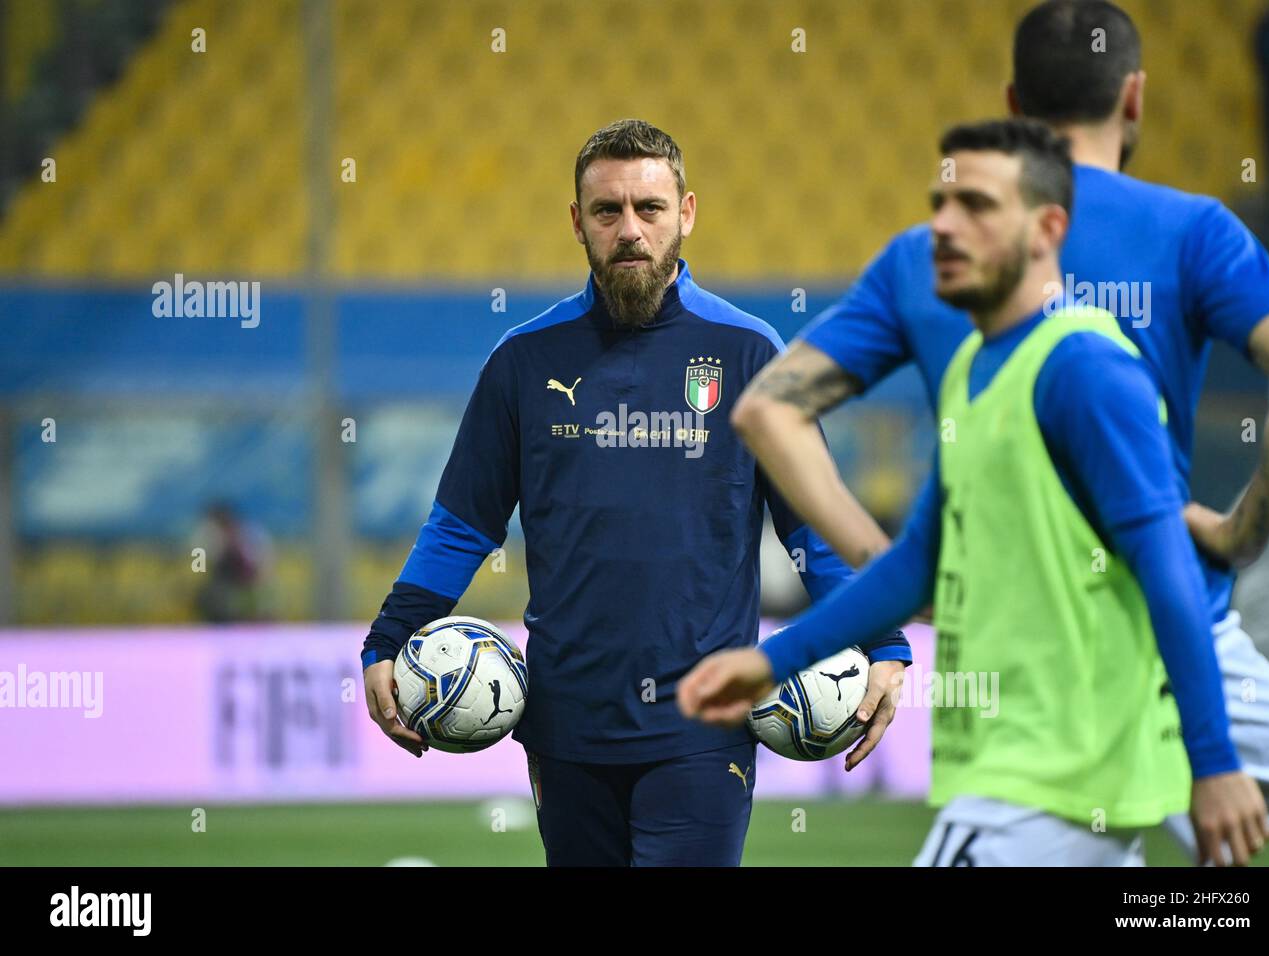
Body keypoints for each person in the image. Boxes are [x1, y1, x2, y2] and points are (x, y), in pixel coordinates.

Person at [728, 0, 1269, 865]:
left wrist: (891, 571)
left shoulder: (928, 254)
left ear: (1011, 103)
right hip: (1182, 634)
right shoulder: (1193, 231)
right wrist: (1242, 526)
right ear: (1136, 97)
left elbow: (768, 409)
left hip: (1026, 669)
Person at [359, 119, 909, 867]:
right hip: (565, 728)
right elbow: (462, 527)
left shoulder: (749, 353)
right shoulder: (522, 361)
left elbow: (813, 528)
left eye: (649, 209)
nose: (629, 230)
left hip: (703, 731)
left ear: (685, 214)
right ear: (577, 222)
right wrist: (388, 639)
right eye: (607, 211)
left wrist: (885, 639)